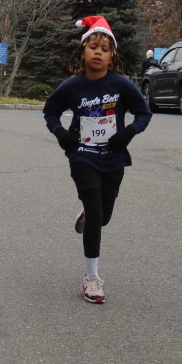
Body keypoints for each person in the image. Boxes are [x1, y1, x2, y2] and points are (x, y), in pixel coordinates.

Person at [43, 15, 152, 305]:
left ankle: (90, 214)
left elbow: (144, 113)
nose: (98, 53)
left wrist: (128, 133)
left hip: (113, 158)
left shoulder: (121, 85)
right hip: (83, 156)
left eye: (104, 49)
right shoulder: (72, 86)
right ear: (83, 51)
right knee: (95, 212)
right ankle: (92, 279)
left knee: (103, 217)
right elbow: (50, 111)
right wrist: (61, 134)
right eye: (93, 47)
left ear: (112, 55)